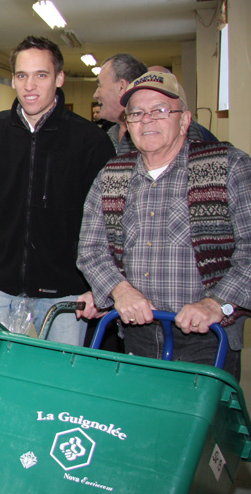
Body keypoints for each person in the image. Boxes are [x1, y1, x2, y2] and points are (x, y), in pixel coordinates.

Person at [77, 71, 251, 378]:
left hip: (209, 339)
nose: (147, 121)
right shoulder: (112, 175)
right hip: (137, 337)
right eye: (137, 113)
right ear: (128, 125)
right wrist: (121, 291)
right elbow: (91, 250)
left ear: (184, 121)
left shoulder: (228, 167)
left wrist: (215, 303)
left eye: (159, 110)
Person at [0, 36, 112, 345]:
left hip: (67, 291)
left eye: (41, 75)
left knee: (59, 379)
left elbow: (106, 221)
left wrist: (97, 284)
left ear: (59, 78)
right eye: (21, 75)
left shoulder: (89, 141)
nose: (30, 85)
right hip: (2, 285)